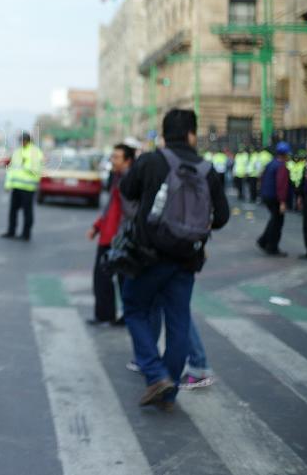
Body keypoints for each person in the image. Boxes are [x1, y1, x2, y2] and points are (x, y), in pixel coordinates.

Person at [119, 109, 229, 410]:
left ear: (165, 135)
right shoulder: (208, 169)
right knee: (178, 320)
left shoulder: (151, 161)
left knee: (134, 308)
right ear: (192, 135)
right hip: (187, 259)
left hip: (148, 256)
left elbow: (126, 190)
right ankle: (169, 390)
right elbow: (222, 217)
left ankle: (155, 374)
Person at [87, 143, 135, 325]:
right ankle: (110, 315)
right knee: (107, 278)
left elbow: (130, 212)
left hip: (120, 238)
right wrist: (97, 226)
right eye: (112, 156)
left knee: (114, 278)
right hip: (109, 235)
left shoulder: (130, 180)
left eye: (117, 157)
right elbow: (110, 208)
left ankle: (120, 316)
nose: (112, 160)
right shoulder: (116, 177)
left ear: (128, 160)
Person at [2, 132, 43, 240]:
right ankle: (11, 231)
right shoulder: (17, 152)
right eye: (20, 140)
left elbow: (37, 170)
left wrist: (25, 164)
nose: (22, 142)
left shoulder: (35, 152)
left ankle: (26, 234)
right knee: (13, 211)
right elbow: (11, 169)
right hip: (16, 187)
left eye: (23, 140)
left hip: (28, 188)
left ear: (28, 141)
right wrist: (7, 184)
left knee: (27, 212)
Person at [257, 142, 292, 256]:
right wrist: (282, 202)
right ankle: (272, 247)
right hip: (276, 198)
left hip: (267, 195)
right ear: (285, 154)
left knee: (273, 219)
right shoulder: (281, 166)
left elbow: (262, 177)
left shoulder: (271, 163)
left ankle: (263, 241)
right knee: (277, 223)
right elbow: (281, 185)